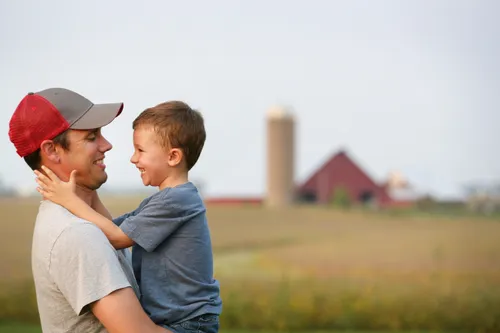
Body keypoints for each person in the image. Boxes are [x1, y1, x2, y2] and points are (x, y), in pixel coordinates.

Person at [35, 100, 223, 333]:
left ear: (173, 157)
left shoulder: (177, 201)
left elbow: (117, 237)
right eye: (92, 137)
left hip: (188, 324)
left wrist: (70, 199)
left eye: (140, 151)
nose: (133, 158)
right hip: (177, 319)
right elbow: (112, 226)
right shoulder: (163, 201)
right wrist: (86, 188)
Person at [8, 87, 172, 333]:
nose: (107, 145)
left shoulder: (76, 219)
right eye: (92, 136)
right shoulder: (76, 234)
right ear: (52, 150)